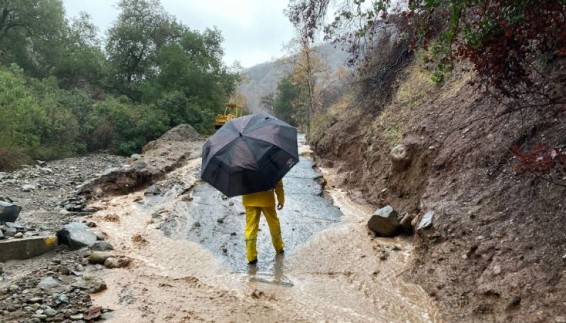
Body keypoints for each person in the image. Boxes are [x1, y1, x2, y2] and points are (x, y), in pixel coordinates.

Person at [242, 179, 285, 265]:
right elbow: (278, 183)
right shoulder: (271, 166)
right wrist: (281, 199)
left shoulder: (242, 166)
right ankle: (279, 247)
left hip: (249, 199)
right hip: (267, 199)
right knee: (274, 224)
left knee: (250, 227)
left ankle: (251, 257)